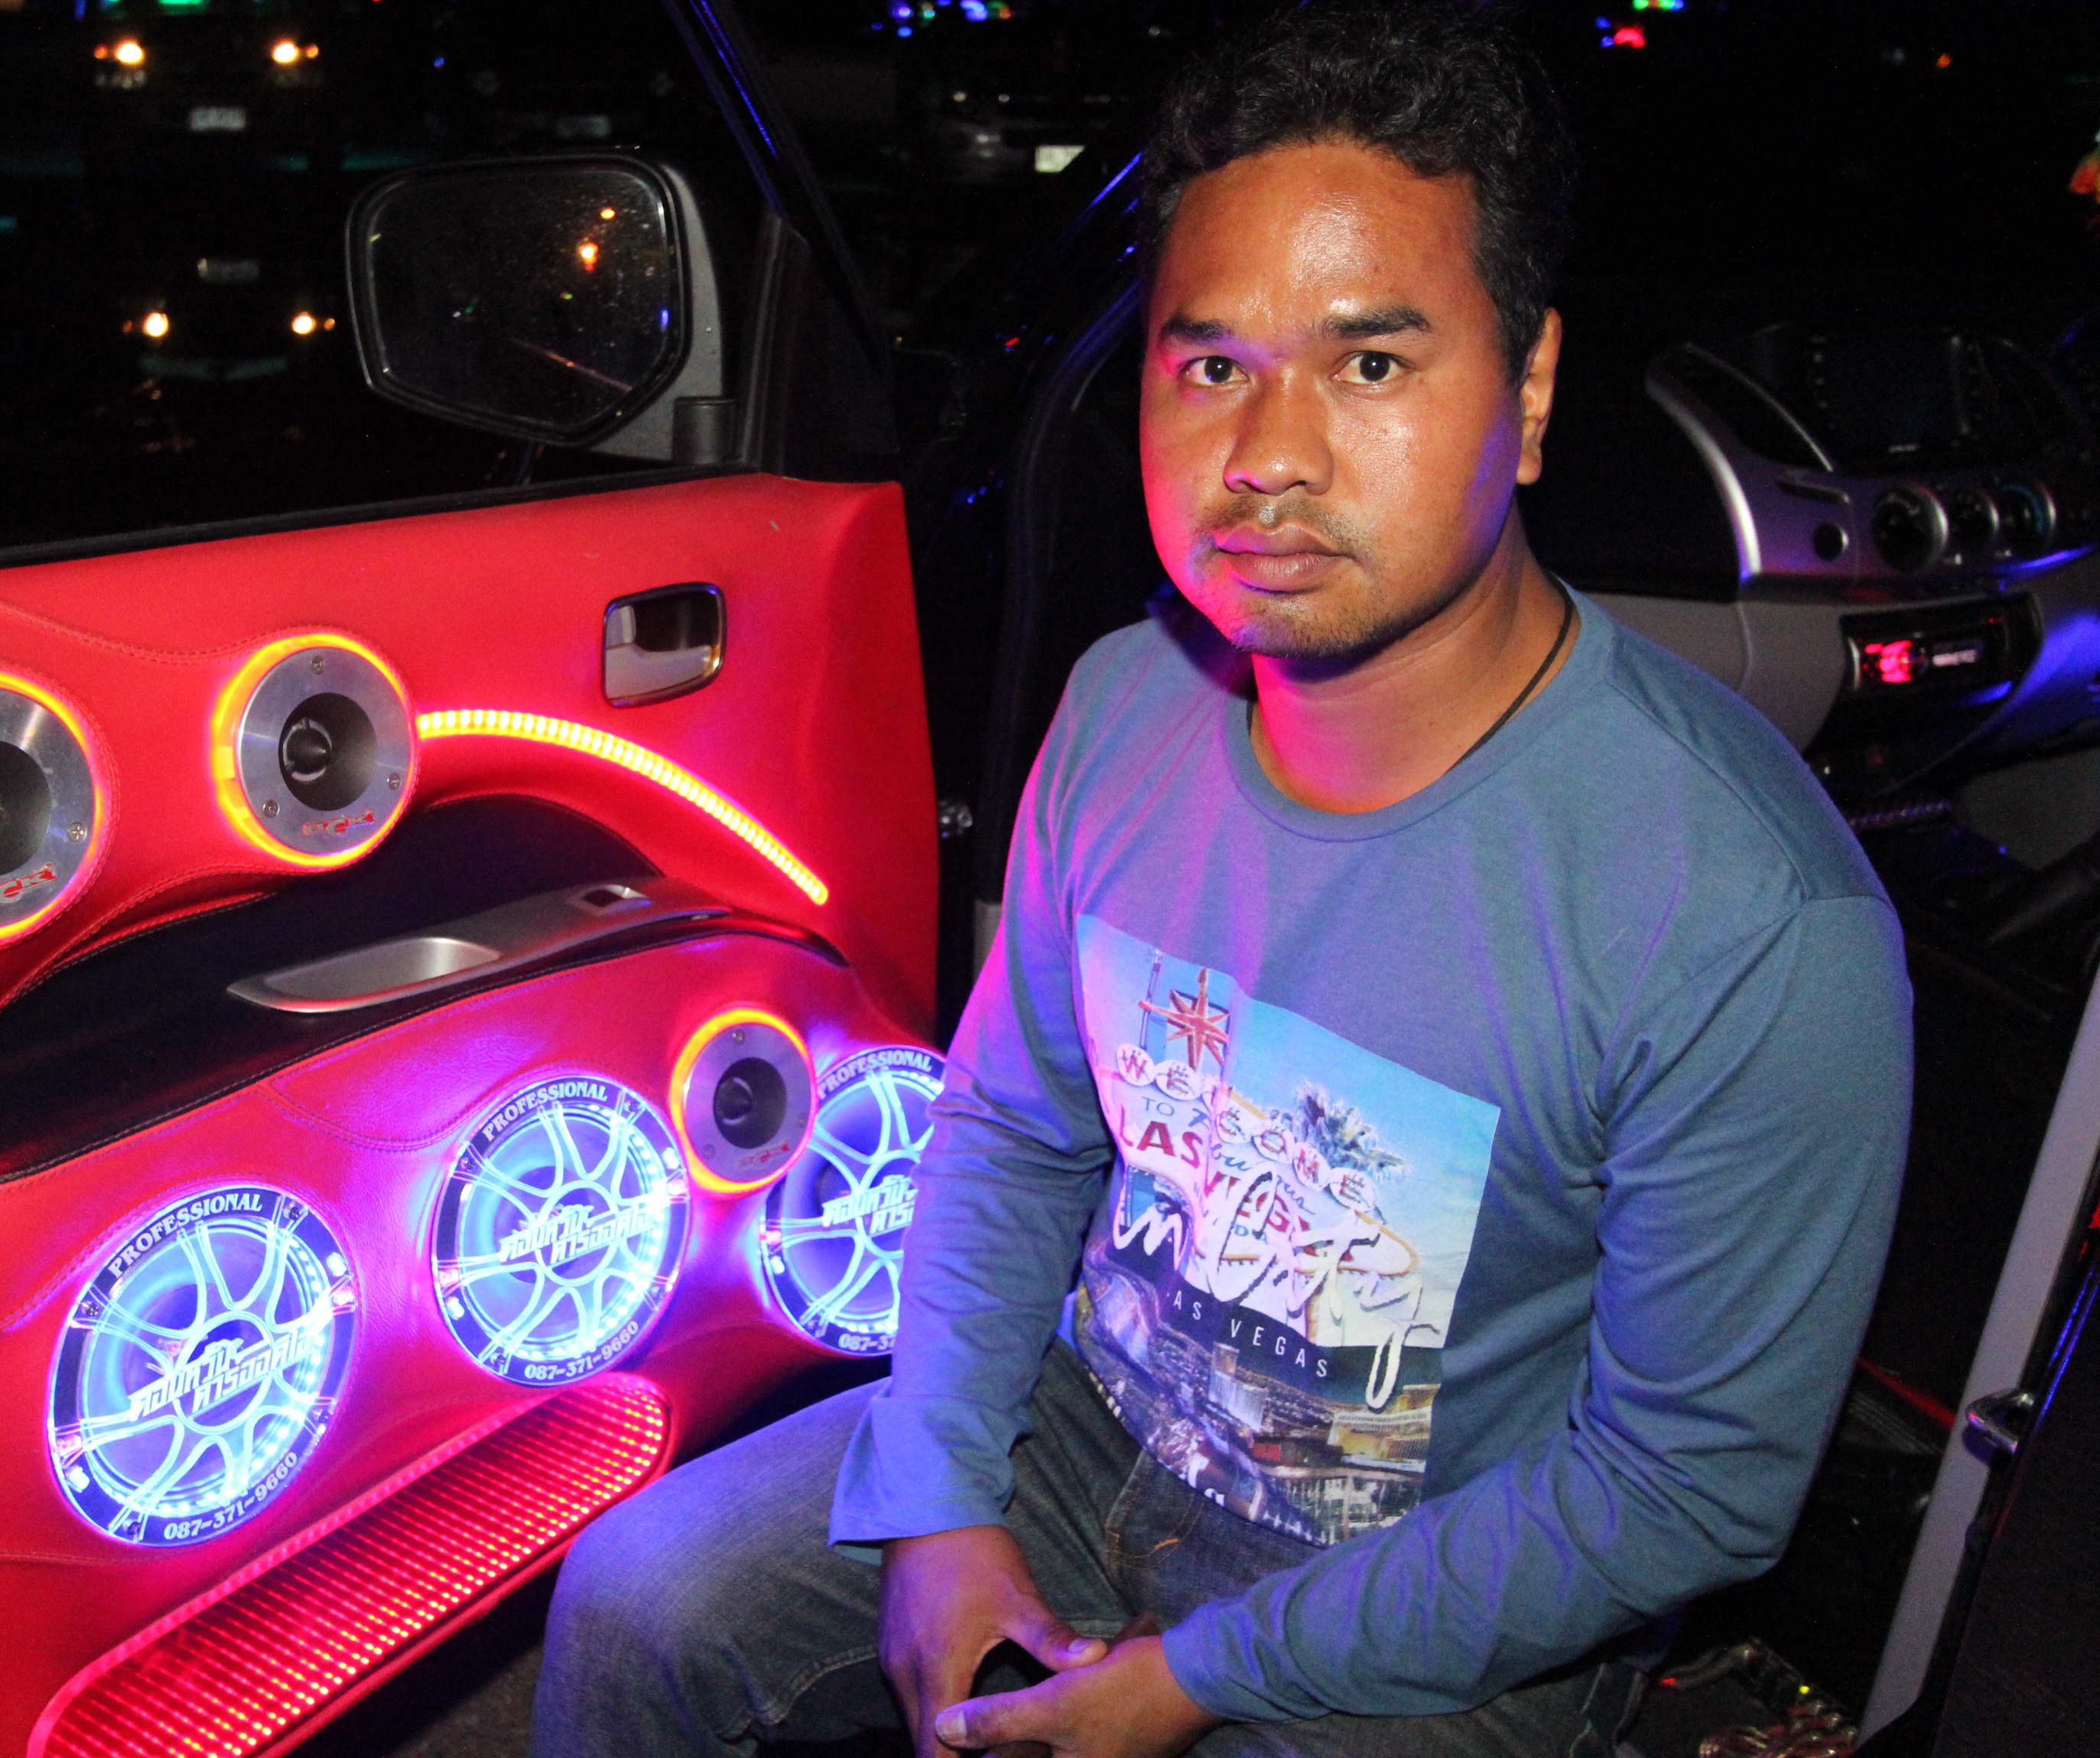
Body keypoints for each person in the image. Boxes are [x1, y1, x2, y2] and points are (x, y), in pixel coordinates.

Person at [530, 2, 1913, 1753]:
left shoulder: (1746, 914)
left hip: (1443, 1563)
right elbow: (1013, 1127)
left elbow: (1682, 1489)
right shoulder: (1125, 703)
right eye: (1209, 369)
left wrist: (1200, 1679)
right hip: (1091, 1422)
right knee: (637, 1602)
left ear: (1530, 391)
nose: (1269, 455)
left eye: (1371, 366)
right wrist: (939, 1494)